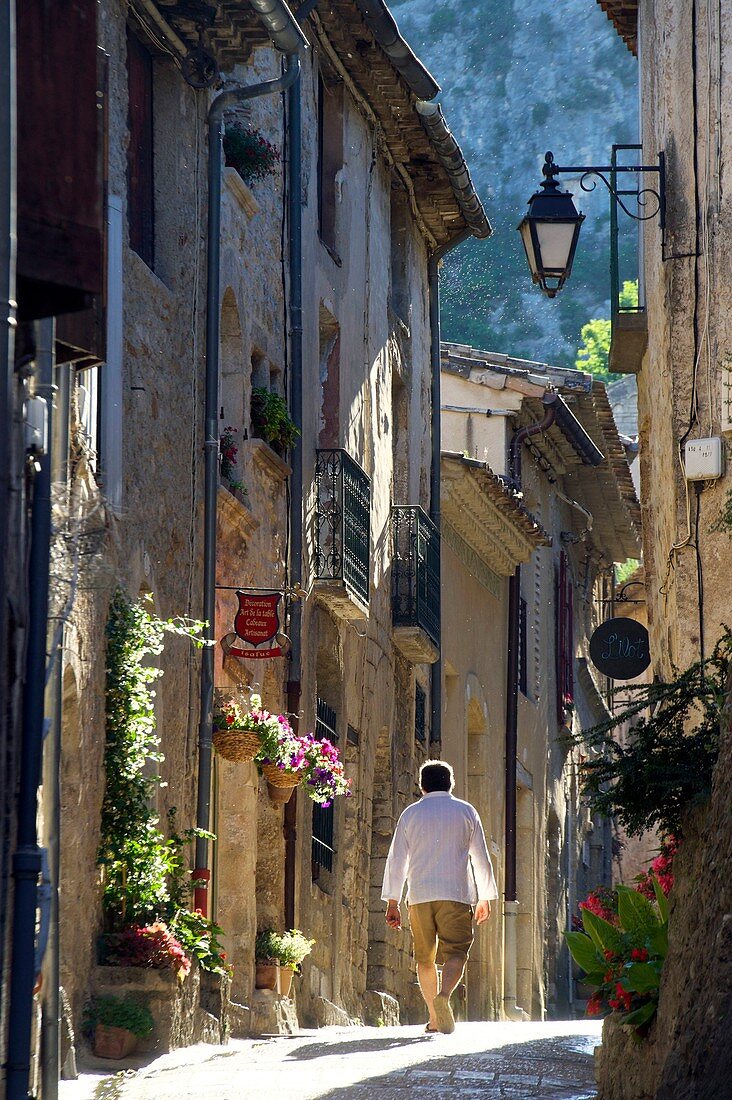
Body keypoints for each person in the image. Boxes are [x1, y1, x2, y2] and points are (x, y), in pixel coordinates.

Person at [381, 759, 498, 1035]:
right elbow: (480, 857)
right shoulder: (466, 812)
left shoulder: (411, 814)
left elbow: (397, 859)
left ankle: (434, 1018)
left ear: (421, 786)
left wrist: (393, 901)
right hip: (455, 895)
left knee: (424, 959)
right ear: (451, 783)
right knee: (456, 953)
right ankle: (444, 995)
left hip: (420, 896)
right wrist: (485, 897)